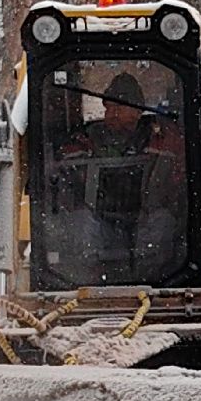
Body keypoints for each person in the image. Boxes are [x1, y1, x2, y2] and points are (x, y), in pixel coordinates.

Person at [50, 71, 186, 285]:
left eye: (120, 107)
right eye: (109, 107)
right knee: (82, 226)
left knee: (161, 226)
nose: (112, 113)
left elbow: (178, 180)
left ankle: (149, 284)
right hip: (100, 218)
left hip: (146, 216)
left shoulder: (161, 140)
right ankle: (92, 287)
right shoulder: (87, 138)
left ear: (138, 110)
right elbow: (64, 169)